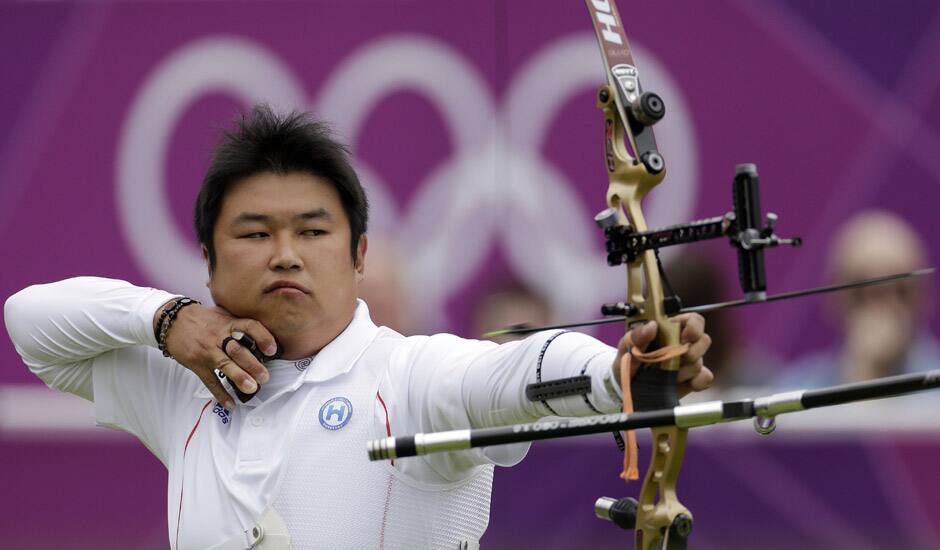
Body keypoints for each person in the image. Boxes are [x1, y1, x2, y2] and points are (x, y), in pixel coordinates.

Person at [3, 105, 713, 549]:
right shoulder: (183, 384)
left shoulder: (411, 378)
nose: (285, 253)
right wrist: (166, 321)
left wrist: (623, 369)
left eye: (313, 230)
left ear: (358, 254)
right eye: (254, 233)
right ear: (209, 265)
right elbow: (29, 321)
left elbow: (516, 370)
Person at [777, 209, 937, 389]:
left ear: (923, 296)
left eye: (899, 289)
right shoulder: (796, 387)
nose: (881, 307)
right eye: (860, 291)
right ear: (835, 299)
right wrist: (862, 373)